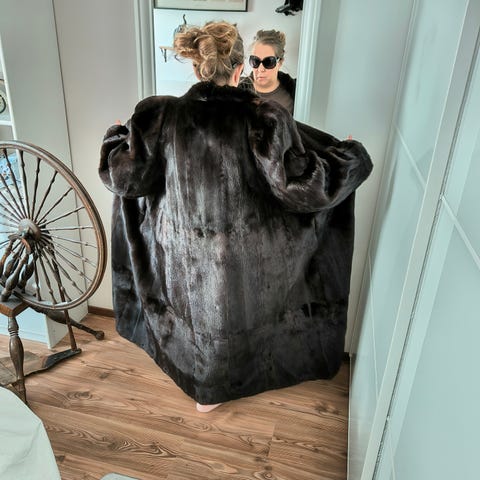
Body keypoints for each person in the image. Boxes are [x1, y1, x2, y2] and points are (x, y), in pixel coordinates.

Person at [99, 21, 372, 413]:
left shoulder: (159, 116)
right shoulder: (264, 120)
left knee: (195, 316)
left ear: (197, 67)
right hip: (241, 265)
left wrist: (114, 136)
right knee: (234, 315)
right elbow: (303, 187)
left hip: (182, 260)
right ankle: (228, 384)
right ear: (240, 68)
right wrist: (348, 158)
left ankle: (201, 387)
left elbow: (123, 177)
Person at [240, 29, 296, 114]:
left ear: (280, 62)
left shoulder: (295, 93)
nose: (260, 69)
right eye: (255, 61)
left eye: (268, 62)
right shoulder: (237, 89)